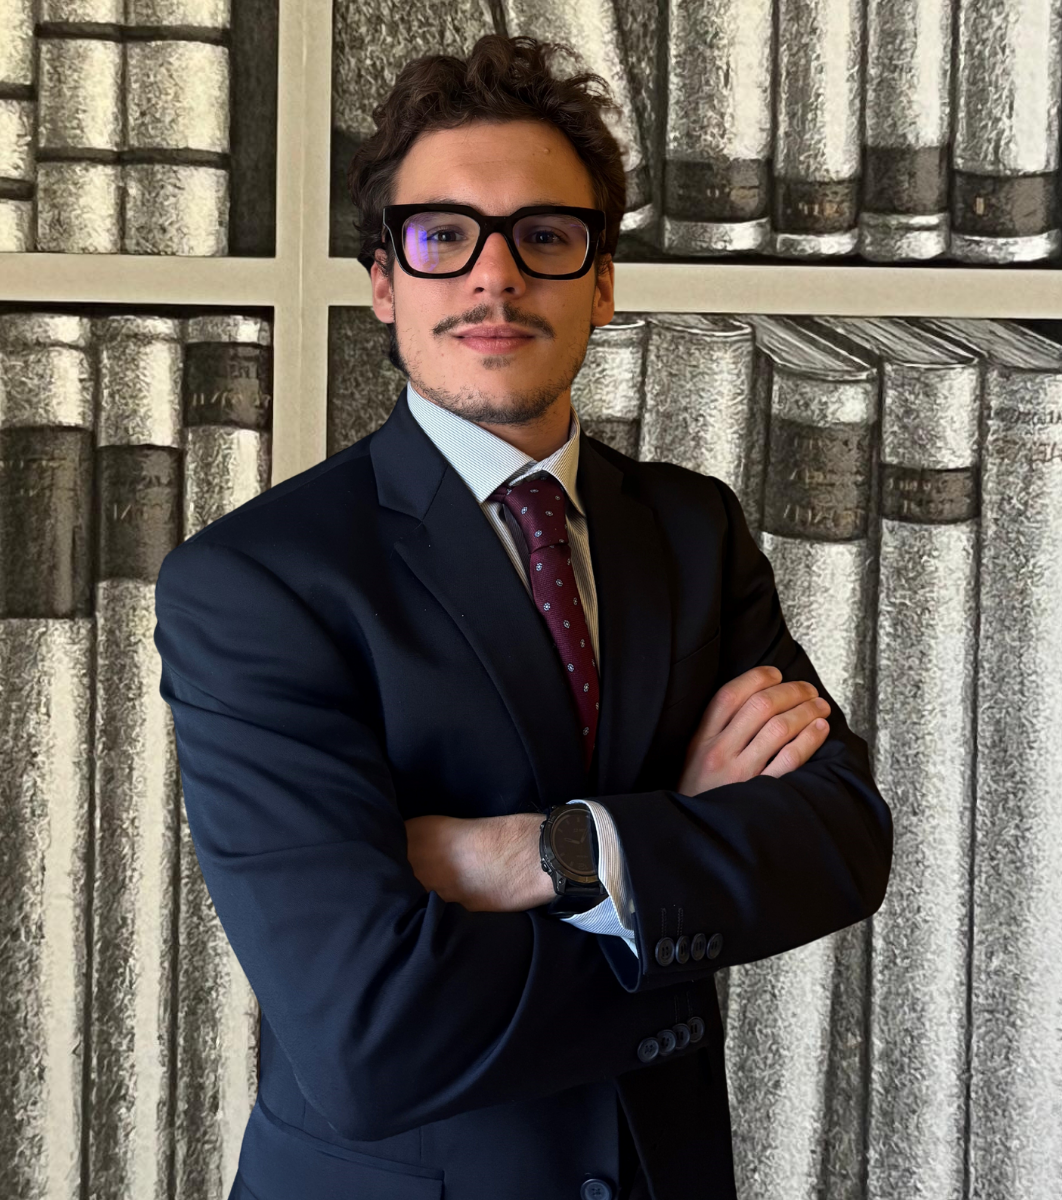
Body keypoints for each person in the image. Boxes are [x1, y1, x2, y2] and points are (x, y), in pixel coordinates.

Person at [152, 34, 893, 1200]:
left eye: (544, 236)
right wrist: (679, 850)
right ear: (385, 283)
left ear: (601, 282)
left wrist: (551, 853)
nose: (494, 278)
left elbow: (840, 842)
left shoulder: (692, 530)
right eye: (443, 236)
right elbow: (369, 1038)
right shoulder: (255, 584)